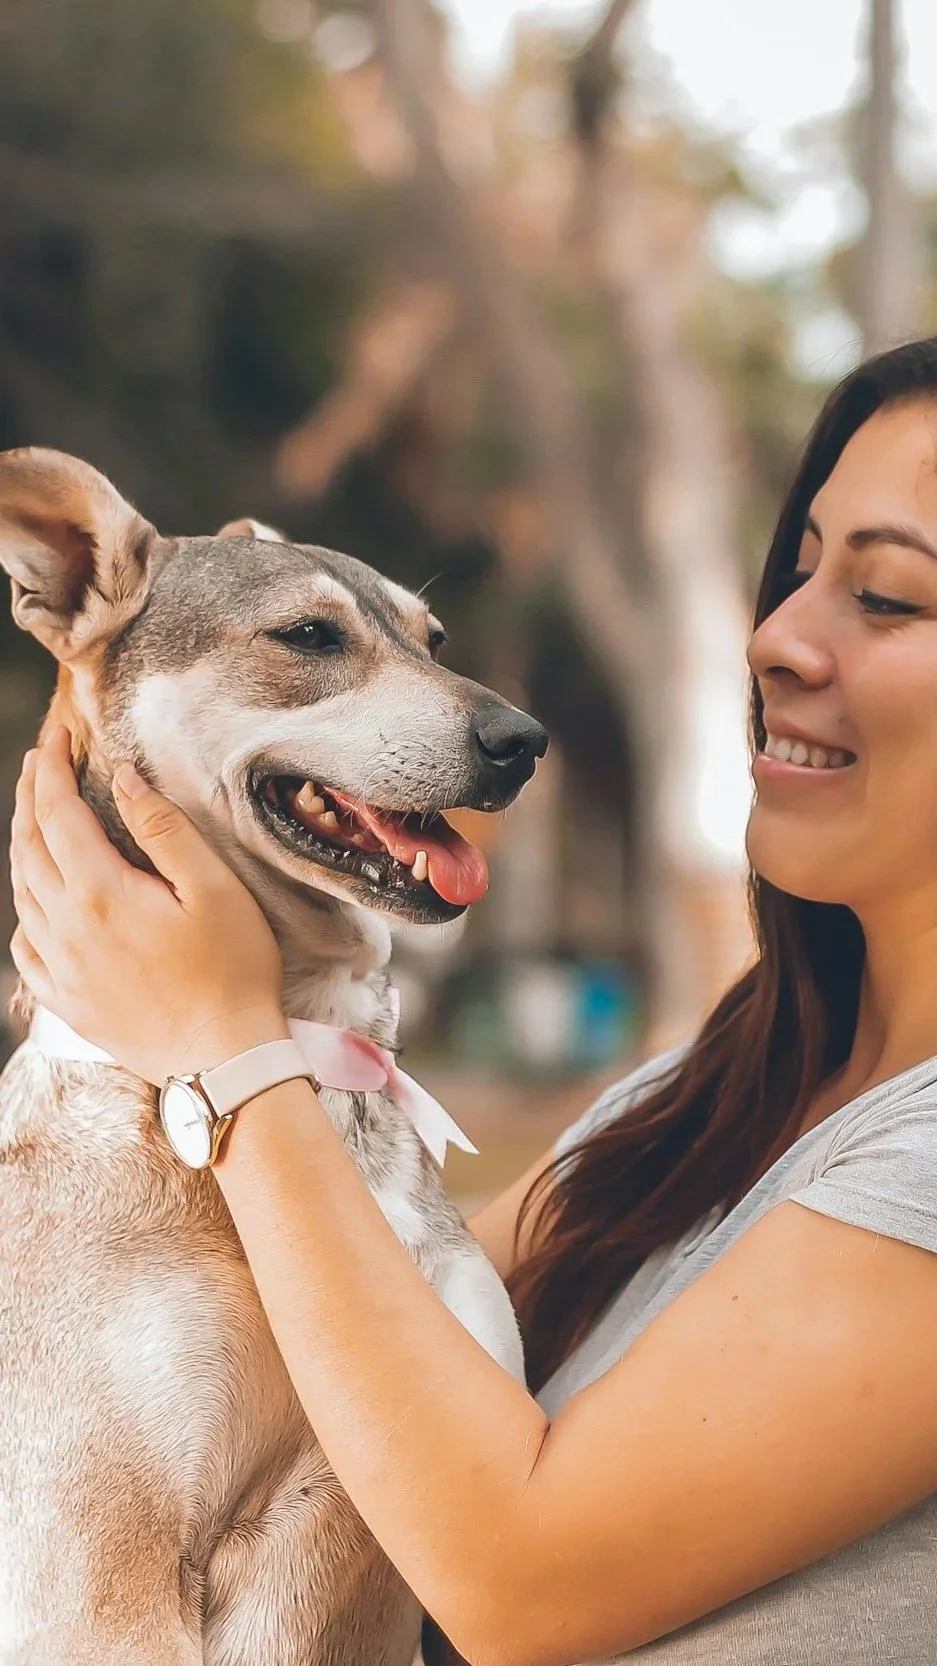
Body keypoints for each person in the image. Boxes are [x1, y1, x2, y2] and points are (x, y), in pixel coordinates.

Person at [11, 337, 937, 1666]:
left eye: (890, 597)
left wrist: (228, 1039)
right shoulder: (688, 1103)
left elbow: (518, 1580)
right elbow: (335, 1338)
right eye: (796, 571)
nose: (778, 636)